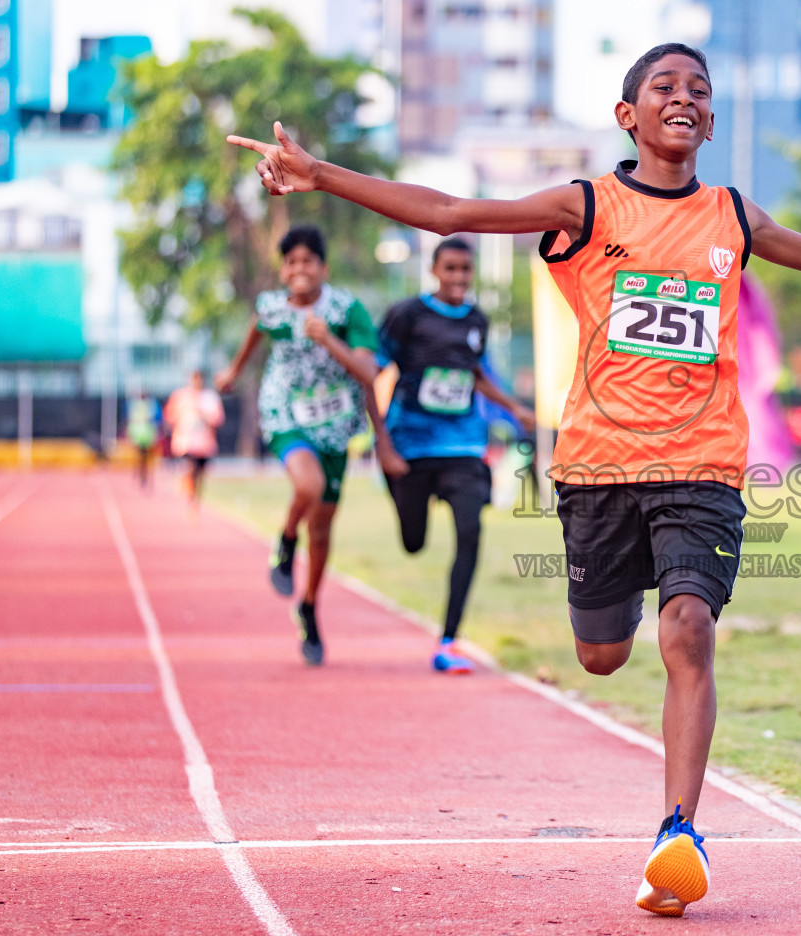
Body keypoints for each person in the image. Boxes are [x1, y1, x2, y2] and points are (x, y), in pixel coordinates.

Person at [227, 42, 801, 915]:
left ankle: (678, 833)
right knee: (601, 655)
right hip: (598, 469)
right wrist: (321, 175)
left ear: (710, 120)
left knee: (690, 630)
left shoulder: (732, 216)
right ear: (629, 116)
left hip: (702, 464)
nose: (685, 97)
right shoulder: (586, 206)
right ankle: (628, 615)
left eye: (700, 90)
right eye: (664, 87)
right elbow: (448, 210)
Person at [215, 224, 405, 666]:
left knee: (321, 530)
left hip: (337, 425)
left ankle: (308, 605)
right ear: (283, 271)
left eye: (308, 261)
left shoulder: (345, 310)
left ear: (324, 268)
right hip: (285, 412)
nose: (300, 269)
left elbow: (368, 374)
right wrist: (232, 372)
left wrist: (328, 340)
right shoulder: (273, 309)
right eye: (292, 262)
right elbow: (254, 333)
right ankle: (284, 542)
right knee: (308, 486)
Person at [376, 236, 537, 674]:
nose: (459, 278)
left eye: (465, 270)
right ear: (434, 271)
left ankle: (449, 640)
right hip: (410, 447)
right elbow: (371, 369)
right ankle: (402, 499)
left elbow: (474, 374)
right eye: (450, 269)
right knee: (413, 542)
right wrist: (381, 442)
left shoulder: (477, 320)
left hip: (463, 444)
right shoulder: (406, 315)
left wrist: (513, 407)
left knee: (470, 530)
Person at [164, 370, 226, 510]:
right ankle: (189, 492)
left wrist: (203, 414)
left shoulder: (210, 398)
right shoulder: (180, 396)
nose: (197, 382)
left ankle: (195, 498)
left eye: (200, 379)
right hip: (186, 443)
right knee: (190, 468)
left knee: (200, 474)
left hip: (205, 444)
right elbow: (170, 415)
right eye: (194, 379)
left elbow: (218, 419)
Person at [125, 388, 160, 490]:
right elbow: (131, 420)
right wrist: (131, 434)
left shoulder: (152, 405)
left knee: (148, 458)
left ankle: (148, 477)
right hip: (138, 435)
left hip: (149, 435)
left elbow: (157, 420)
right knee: (139, 457)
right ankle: (139, 475)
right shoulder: (135, 405)